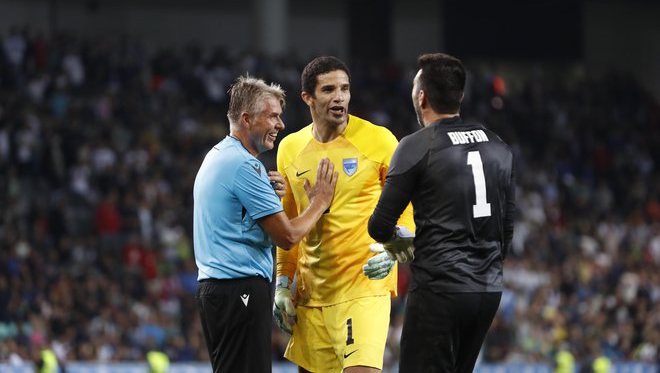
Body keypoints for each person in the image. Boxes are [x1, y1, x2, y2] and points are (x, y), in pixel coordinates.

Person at [368, 53, 516, 373]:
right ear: (460, 96)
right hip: (487, 290)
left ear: (421, 97)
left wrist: (402, 246)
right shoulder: (499, 146)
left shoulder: (416, 145)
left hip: (440, 289)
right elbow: (506, 233)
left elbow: (379, 225)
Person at [273, 56, 415, 373]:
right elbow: (288, 227)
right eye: (328, 90)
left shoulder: (379, 140)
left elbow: (405, 207)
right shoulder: (289, 149)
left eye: (345, 89)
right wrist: (283, 283)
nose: (339, 97)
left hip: (364, 287)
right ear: (308, 97)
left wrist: (396, 248)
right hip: (312, 297)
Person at [193, 76, 338, 372]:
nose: (280, 125)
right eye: (272, 116)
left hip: (218, 291)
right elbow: (288, 236)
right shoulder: (246, 166)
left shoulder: (218, 156)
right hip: (239, 289)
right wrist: (320, 202)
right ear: (246, 119)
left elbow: (235, 220)